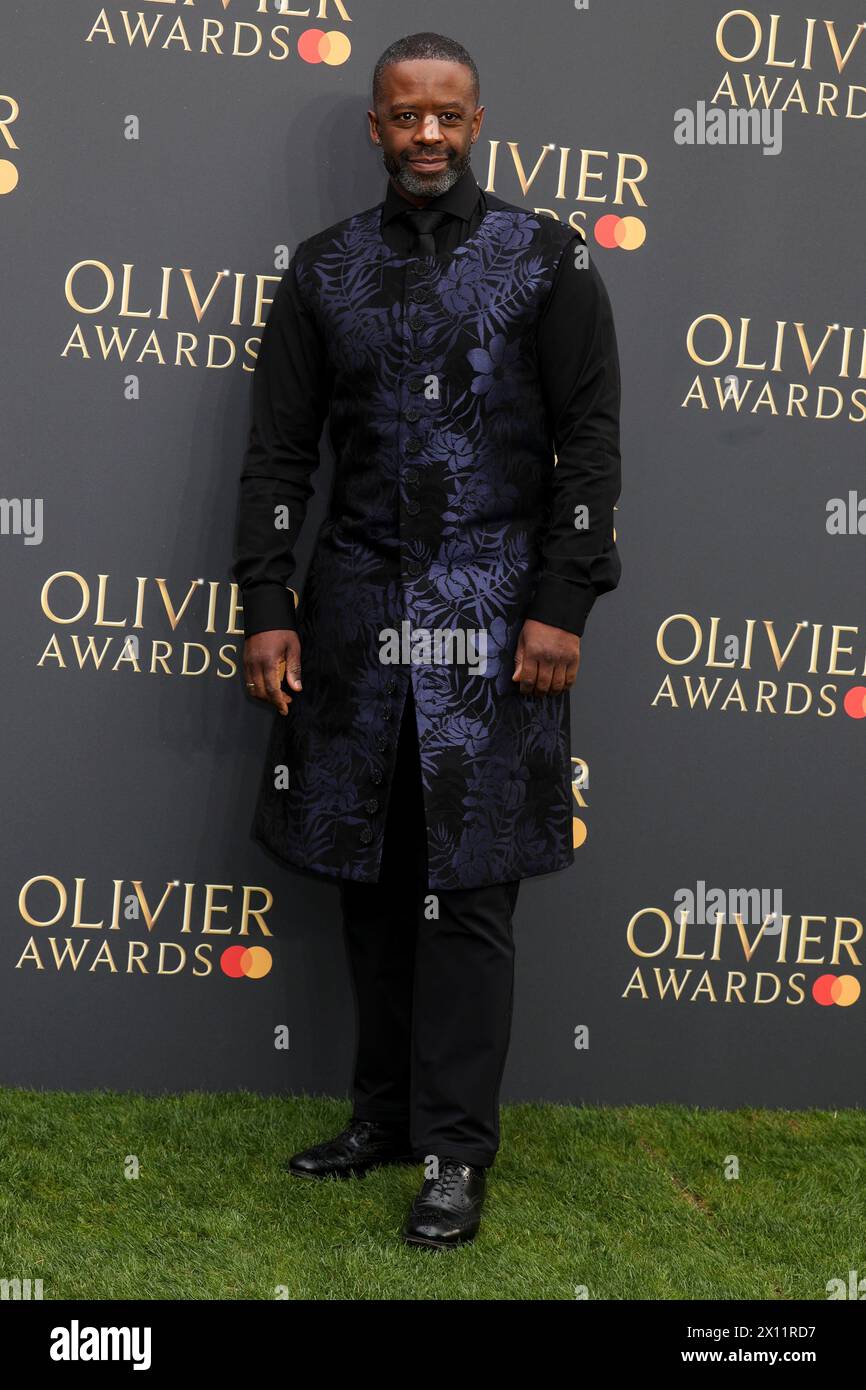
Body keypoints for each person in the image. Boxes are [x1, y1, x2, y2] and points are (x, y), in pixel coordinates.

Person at [232, 31, 621, 1250]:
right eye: (404, 116)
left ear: (477, 119)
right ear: (375, 125)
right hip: (353, 618)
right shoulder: (322, 270)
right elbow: (281, 456)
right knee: (369, 879)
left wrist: (563, 598)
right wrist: (268, 602)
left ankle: (455, 1153)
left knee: (468, 893)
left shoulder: (547, 260)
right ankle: (382, 1119)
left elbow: (590, 444)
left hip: (497, 623)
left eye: (446, 116)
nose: (427, 136)